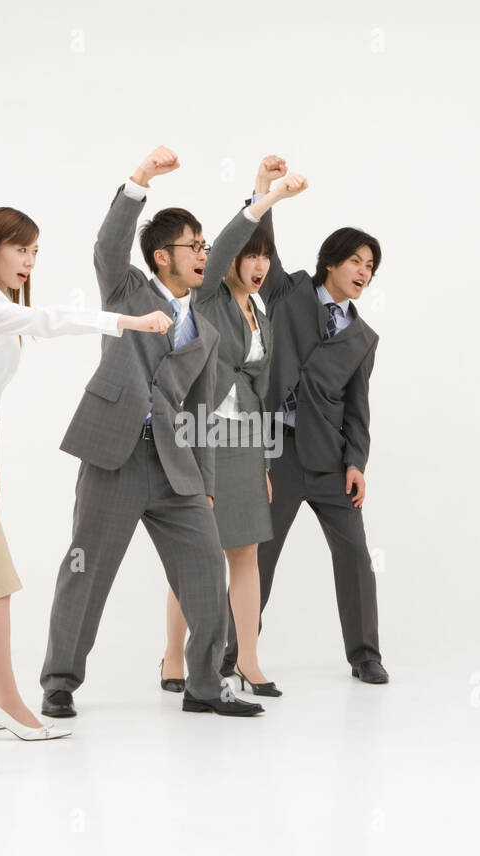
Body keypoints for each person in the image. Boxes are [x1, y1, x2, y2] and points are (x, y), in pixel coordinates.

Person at [0, 206, 171, 740]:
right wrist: (127, 321)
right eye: (20, 249)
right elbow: (49, 320)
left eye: (35, 252)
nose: (28, 262)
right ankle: (7, 700)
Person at [38, 146, 265, 719]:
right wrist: (139, 181)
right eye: (196, 245)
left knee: (207, 573)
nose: (204, 254)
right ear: (163, 256)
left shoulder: (206, 332)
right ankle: (60, 681)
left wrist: (207, 483)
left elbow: (201, 414)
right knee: (86, 568)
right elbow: (107, 246)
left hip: (175, 467)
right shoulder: (126, 292)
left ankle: (205, 686)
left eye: (206, 246)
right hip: (113, 455)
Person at [160, 155, 308, 698]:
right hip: (201, 437)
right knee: (194, 555)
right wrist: (262, 193)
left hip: (246, 445)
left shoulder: (262, 316)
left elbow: (263, 391)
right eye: (249, 256)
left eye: (263, 257)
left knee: (245, 554)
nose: (257, 265)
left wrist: (267, 461)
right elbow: (226, 241)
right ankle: (173, 657)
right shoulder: (208, 298)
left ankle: (247, 658)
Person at [223, 207, 386, 684]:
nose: (364, 272)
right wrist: (264, 195)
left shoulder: (363, 338)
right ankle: (232, 652)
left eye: (371, 267)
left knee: (356, 557)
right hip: (278, 453)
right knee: (259, 557)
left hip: (331, 462)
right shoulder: (288, 290)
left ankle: (365, 655)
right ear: (331, 262)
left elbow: (359, 409)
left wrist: (356, 462)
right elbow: (261, 251)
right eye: (356, 261)